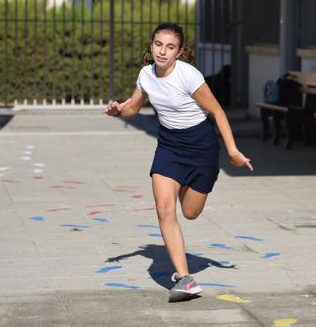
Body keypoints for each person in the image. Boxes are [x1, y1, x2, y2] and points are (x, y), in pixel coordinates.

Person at [103, 22, 253, 302]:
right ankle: (185, 279)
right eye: (158, 44)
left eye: (170, 47)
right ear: (151, 45)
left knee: (190, 212)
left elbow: (217, 111)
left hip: (201, 147)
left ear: (180, 51)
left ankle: (187, 184)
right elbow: (132, 107)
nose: (162, 51)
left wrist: (232, 150)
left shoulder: (188, 76)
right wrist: (117, 112)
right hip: (169, 146)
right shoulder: (146, 75)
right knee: (164, 210)